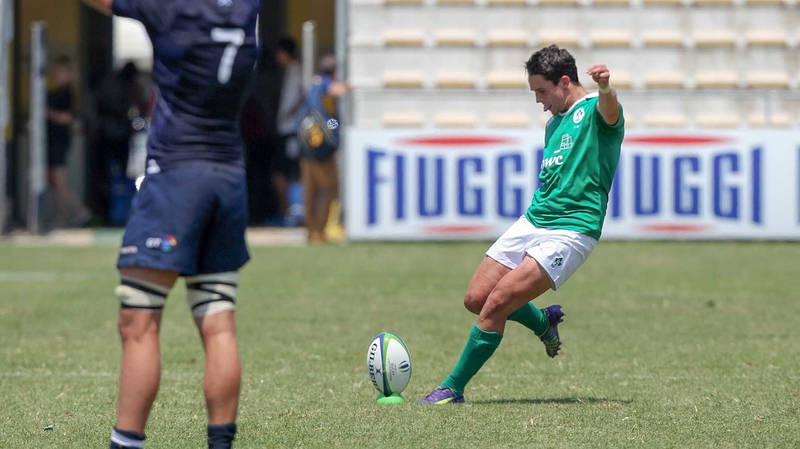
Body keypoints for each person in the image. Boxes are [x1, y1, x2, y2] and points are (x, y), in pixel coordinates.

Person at [81, 1, 259, 448]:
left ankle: (126, 442)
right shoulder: (245, 8)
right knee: (218, 320)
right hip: (228, 176)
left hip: (178, 174)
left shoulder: (172, 7)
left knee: (138, 320)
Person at [418, 45, 625, 404]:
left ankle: (452, 388)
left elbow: (611, 110)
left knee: (498, 302)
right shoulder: (554, 123)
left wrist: (606, 88)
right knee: (476, 298)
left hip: (572, 230)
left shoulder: (596, 110)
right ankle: (544, 323)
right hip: (534, 219)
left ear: (564, 82)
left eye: (541, 91)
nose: (539, 101)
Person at [296, 54, 348, 243]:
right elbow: (330, 114)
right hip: (324, 148)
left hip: (307, 145)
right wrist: (335, 129)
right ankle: (319, 230)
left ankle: (310, 230)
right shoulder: (327, 85)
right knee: (329, 189)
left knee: (309, 190)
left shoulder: (313, 84)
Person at [46, 56, 90, 228]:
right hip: (52, 140)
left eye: (61, 72)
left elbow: (66, 118)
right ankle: (78, 211)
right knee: (53, 180)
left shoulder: (67, 94)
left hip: (60, 141)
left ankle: (69, 214)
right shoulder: (55, 92)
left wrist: (48, 113)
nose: (57, 75)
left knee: (60, 181)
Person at [273, 36, 303, 226]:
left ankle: (292, 212)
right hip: (284, 128)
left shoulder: (298, 70)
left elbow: (304, 94)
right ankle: (287, 211)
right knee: (282, 172)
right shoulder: (289, 71)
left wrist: (291, 112)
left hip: (292, 129)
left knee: (289, 172)